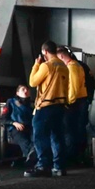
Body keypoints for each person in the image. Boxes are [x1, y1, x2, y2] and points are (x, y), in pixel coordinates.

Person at [26, 40, 71, 178]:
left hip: (46, 105)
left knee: (40, 136)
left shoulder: (47, 66)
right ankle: (59, 167)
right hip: (60, 106)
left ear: (45, 52)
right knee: (57, 136)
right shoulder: (64, 66)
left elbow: (33, 82)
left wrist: (36, 65)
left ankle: (43, 166)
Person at [58, 46, 89, 164]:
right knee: (76, 130)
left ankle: (72, 157)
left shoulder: (72, 68)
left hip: (75, 103)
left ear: (61, 56)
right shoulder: (76, 66)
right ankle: (75, 156)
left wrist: (67, 102)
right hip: (79, 102)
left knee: (70, 130)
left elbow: (74, 89)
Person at [1, 84, 36, 166]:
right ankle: (32, 161)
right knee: (26, 143)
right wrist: (14, 123)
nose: (26, 91)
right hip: (15, 129)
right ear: (17, 93)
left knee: (37, 141)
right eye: (23, 89)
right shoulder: (11, 102)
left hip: (30, 128)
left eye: (27, 89)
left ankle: (32, 159)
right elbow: (3, 119)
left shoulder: (32, 104)